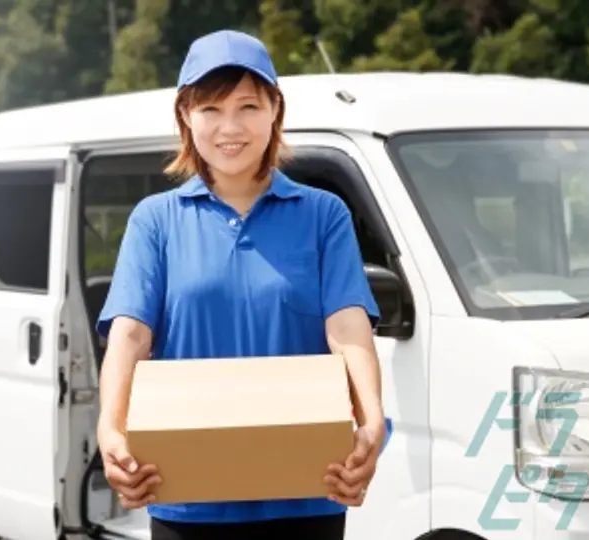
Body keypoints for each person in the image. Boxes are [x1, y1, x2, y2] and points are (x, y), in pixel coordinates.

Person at [95, 29, 389, 540]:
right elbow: (131, 335)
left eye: (248, 106)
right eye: (210, 110)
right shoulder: (156, 221)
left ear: (275, 109)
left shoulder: (323, 216)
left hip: (306, 497)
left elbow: (347, 327)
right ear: (185, 115)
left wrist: (371, 422)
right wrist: (109, 430)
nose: (230, 128)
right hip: (186, 499)